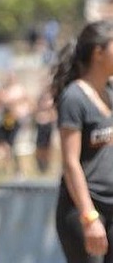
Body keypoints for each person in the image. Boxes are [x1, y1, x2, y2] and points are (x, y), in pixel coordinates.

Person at [52, 20, 113, 261]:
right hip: (84, 210)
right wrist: (89, 216)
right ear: (98, 52)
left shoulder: (109, 93)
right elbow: (70, 163)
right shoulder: (74, 98)